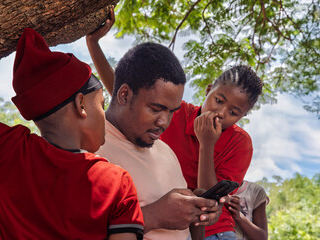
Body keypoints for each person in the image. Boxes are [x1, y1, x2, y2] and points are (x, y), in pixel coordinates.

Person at [0, 28, 144, 239]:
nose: (105, 116)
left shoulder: (4, 149)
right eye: (101, 104)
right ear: (81, 105)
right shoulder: (116, 182)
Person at [87, 7, 224, 240]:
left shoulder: (164, 150)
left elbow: (186, 230)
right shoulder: (89, 148)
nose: (164, 122)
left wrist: (199, 210)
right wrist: (154, 216)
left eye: (172, 112)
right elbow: (73, 229)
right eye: (156, 109)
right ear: (123, 95)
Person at [162, 65, 264, 240]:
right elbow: (134, 105)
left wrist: (206, 144)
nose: (221, 113)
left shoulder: (240, 143)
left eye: (233, 112)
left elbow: (209, 198)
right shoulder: (177, 113)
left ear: (243, 115)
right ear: (208, 90)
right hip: (166, 221)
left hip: (214, 231)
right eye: (218, 101)